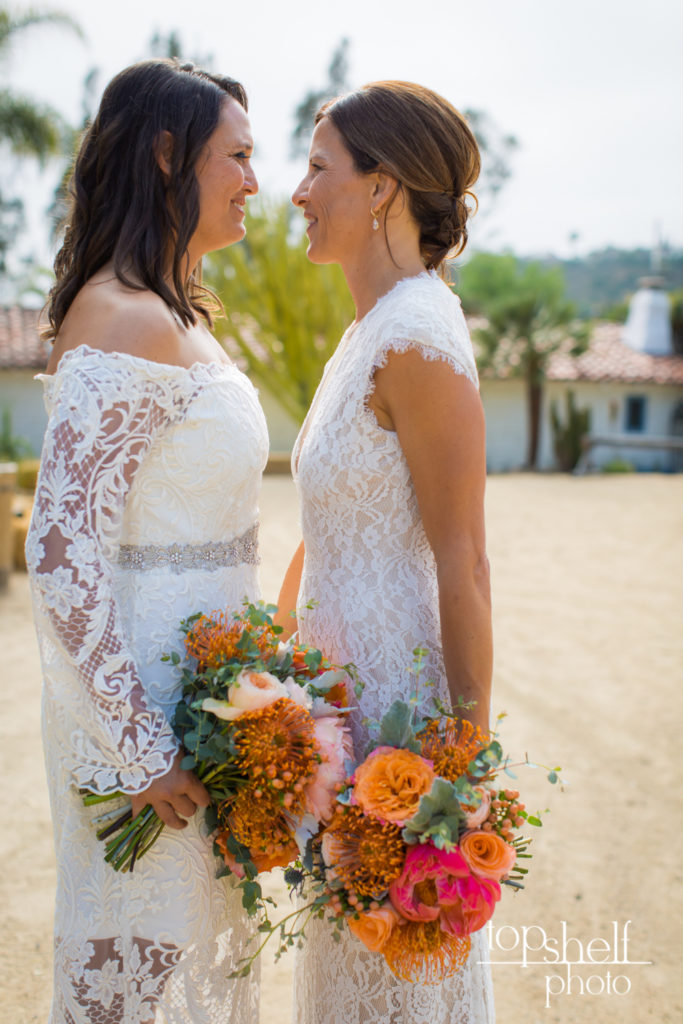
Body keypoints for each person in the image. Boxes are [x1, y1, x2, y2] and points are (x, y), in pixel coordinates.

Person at [25, 59, 267, 1024]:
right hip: (145, 721)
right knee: (132, 979)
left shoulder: (175, 314)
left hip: (201, 709)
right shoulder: (121, 317)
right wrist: (142, 751)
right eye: (238, 155)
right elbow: (60, 552)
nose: (257, 180)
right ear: (169, 155)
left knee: (194, 974)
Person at [278, 81, 495, 1023]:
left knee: (399, 977)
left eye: (319, 166)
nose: (296, 191)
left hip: (391, 715)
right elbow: (325, 527)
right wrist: (267, 671)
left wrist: (465, 755)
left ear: (382, 188)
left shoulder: (417, 337)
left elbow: (465, 558)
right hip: (334, 707)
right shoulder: (365, 334)